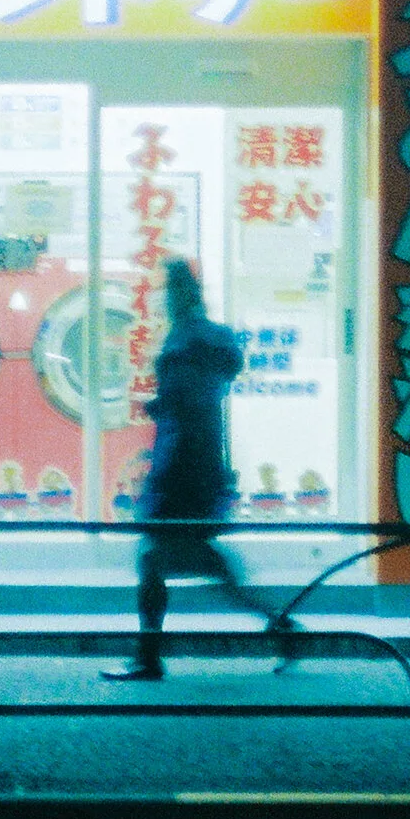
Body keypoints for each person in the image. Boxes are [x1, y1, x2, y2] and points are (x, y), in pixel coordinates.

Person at [103, 258, 290, 679]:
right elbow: (202, 401)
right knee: (210, 569)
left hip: (179, 473)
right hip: (205, 470)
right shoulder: (213, 339)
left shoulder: (182, 343)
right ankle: (283, 628)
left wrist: (159, 412)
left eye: (166, 292)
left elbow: (183, 409)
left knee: (155, 561)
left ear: (176, 294)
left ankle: (149, 658)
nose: (164, 300)